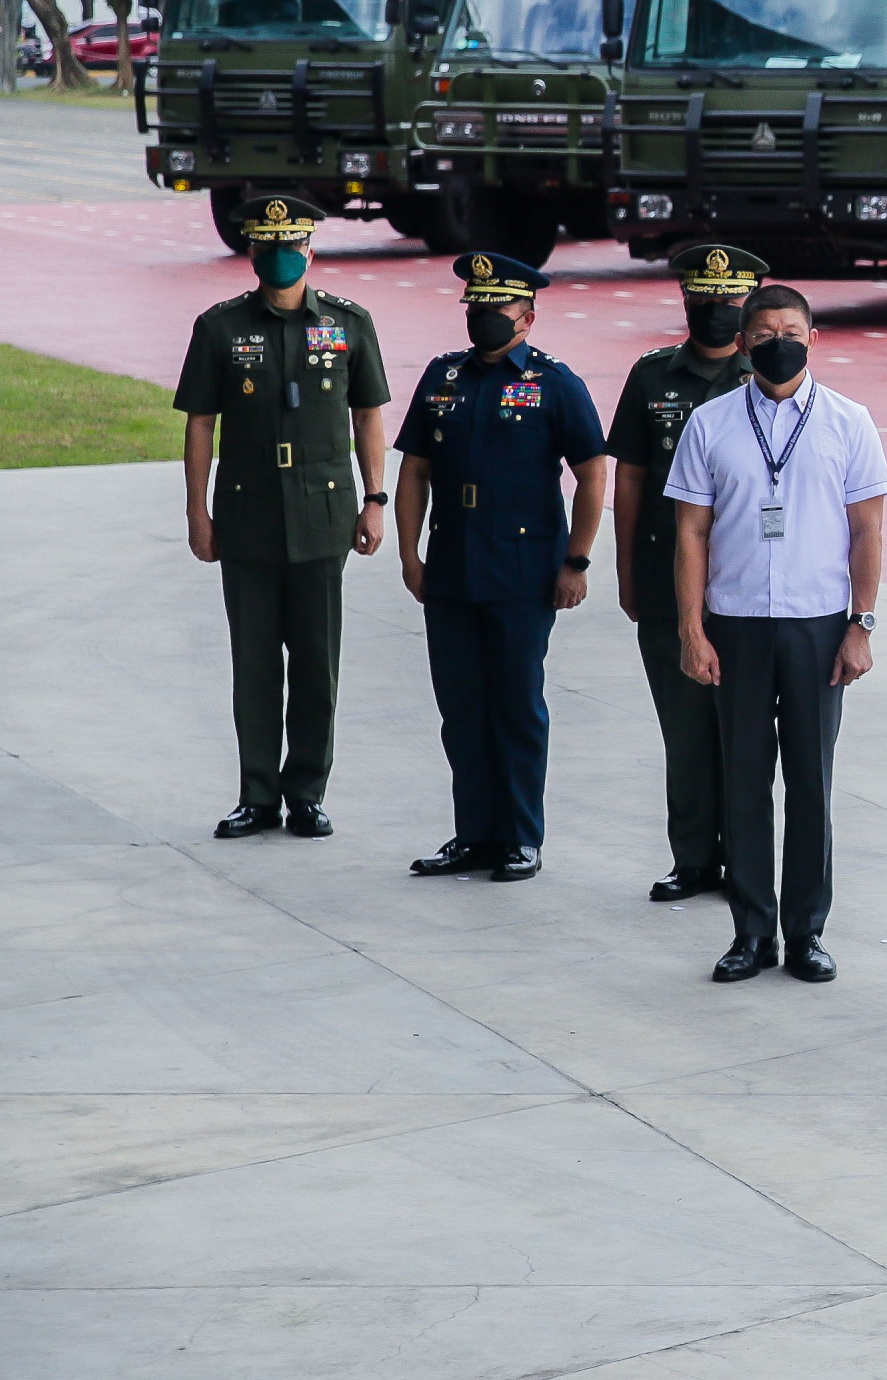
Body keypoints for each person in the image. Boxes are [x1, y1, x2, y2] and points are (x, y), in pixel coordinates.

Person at [664, 285, 887, 985]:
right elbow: (690, 532)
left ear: (814, 338)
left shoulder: (849, 422)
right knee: (743, 782)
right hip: (735, 625)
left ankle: (807, 933)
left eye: (790, 330)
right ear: (742, 344)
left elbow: (868, 530)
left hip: (816, 625)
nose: (777, 342)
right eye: (762, 333)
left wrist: (861, 624)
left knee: (810, 782)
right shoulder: (710, 423)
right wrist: (691, 629)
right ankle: (751, 931)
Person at [173, 196, 389, 841]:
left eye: (291, 242)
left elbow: (369, 412)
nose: (281, 254)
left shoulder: (349, 324)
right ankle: (258, 795)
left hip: (324, 516)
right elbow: (201, 423)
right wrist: (197, 511)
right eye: (268, 244)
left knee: (317, 665)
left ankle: (308, 793)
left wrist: (374, 497)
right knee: (256, 664)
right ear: (251, 253)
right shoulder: (218, 327)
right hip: (247, 515)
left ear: (311, 249)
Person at [392, 253, 609, 884]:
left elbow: (592, 471)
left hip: (523, 571)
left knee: (516, 706)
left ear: (528, 317)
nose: (484, 318)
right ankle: (473, 834)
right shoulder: (442, 377)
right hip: (454, 566)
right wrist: (410, 554)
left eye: (498, 310)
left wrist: (578, 559)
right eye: (476, 308)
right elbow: (415, 469)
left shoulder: (554, 381)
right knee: (462, 707)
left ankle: (519, 836)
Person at [608, 245, 769, 902]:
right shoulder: (652, 376)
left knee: (746, 735)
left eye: (729, 303)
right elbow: (631, 481)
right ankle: (694, 859)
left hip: (748, 582)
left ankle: (746, 863)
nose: (716, 313)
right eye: (704, 301)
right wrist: (624, 573)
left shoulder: (766, 375)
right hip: (664, 578)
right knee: (685, 727)